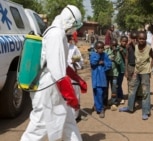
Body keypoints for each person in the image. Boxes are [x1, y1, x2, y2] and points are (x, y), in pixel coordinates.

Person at [21, 5, 87, 141]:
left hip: (55, 86)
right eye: (75, 25)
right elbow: (57, 70)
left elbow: (62, 63)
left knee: (68, 121)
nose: (75, 29)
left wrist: (78, 79)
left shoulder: (59, 33)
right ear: (70, 21)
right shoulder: (56, 34)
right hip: (49, 86)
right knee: (39, 125)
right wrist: (71, 96)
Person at [119, 31, 153, 120]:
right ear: (137, 39)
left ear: (146, 39)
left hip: (145, 73)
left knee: (145, 92)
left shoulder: (149, 48)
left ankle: (146, 111)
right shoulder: (136, 47)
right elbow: (128, 56)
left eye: (143, 39)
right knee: (132, 88)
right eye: (140, 39)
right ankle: (130, 107)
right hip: (136, 71)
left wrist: (150, 67)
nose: (142, 40)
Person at [90, 41, 112, 118]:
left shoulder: (105, 55)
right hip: (95, 77)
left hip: (102, 77)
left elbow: (109, 64)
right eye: (98, 48)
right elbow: (93, 63)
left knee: (102, 93)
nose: (100, 49)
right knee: (97, 92)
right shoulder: (93, 55)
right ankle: (100, 109)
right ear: (96, 48)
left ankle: (99, 105)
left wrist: (104, 63)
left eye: (102, 48)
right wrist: (98, 58)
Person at [67, 34, 84, 119]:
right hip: (61, 76)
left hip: (73, 76)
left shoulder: (74, 48)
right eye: (68, 38)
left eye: (70, 38)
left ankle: (75, 116)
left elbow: (81, 61)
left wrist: (75, 63)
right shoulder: (58, 47)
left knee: (75, 95)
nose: (70, 39)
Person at [104, 38, 122, 111]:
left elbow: (119, 62)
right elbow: (104, 59)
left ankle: (114, 102)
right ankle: (105, 103)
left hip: (114, 73)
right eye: (113, 45)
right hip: (106, 73)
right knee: (105, 88)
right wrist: (108, 59)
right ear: (110, 45)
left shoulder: (117, 52)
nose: (114, 47)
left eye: (115, 45)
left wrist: (114, 58)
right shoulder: (106, 51)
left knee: (114, 88)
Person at [117, 36, 128, 104]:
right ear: (120, 41)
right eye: (123, 41)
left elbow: (126, 58)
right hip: (116, 68)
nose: (124, 43)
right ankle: (118, 96)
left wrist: (122, 52)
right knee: (116, 84)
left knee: (119, 83)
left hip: (122, 68)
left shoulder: (126, 49)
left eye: (125, 42)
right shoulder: (117, 47)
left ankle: (121, 97)